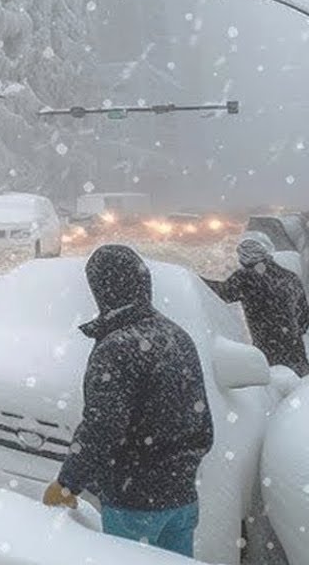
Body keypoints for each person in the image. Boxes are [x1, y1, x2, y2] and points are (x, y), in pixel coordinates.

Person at [44, 245, 213, 558]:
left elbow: (103, 426)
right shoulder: (176, 336)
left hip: (134, 504)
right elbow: (201, 420)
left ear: (101, 289)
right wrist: (182, 466)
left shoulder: (117, 347)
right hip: (182, 499)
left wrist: (68, 483)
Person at [203, 236, 309, 376]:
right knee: (301, 386)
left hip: (268, 347)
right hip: (295, 348)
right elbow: (304, 317)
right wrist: (291, 332)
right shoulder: (290, 277)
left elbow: (223, 293)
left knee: (273, 389)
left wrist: (196, 279)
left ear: (244, 259)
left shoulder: (246, 278)